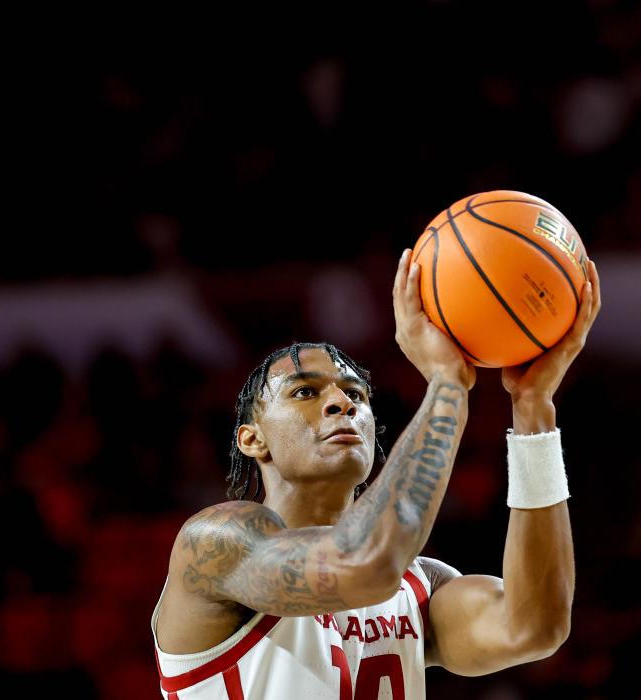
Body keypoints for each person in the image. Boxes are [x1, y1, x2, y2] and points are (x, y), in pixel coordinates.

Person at [151, 248, 602, 698]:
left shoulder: (418, 584)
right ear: (252, 439)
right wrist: (447, 384)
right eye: (305, 391)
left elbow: (534, 628)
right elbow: (366, 563)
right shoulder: (216, 544)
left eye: (356, 395)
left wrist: (533, 410)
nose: (340, 403)